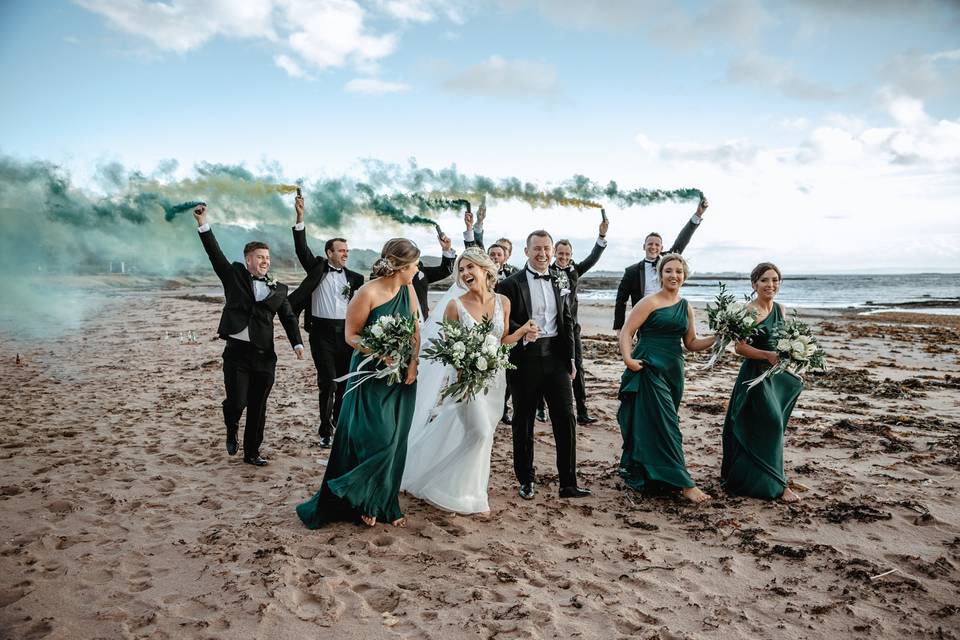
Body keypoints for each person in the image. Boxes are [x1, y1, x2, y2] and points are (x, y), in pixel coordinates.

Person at [296, 239, 421, 528]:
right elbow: (351, 336)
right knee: (376, 438)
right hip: (370, 374)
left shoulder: (408, 288)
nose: (417, 269)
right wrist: (378, 350)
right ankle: (361, 497)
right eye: (414, 264)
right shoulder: (367, 292)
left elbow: (415, 328)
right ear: (401, 266)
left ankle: (382, 501)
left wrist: (413, 363)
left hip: (402, 376)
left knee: (395, 440)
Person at [402, 249, 536, 514]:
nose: (465, 273)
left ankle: (471, 494)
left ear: (486, 270)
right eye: (461, 270)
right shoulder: (455, 305)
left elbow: (502, 342)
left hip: (495, 381)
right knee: (479, 433)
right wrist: (463, 367)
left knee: (483, 438)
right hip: (465, 380)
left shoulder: (503, 302)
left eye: (470, 268)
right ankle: (430, 481)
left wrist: (522, 332)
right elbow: (448, 349)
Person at [193, 204, 304, 466]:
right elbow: (214, 254)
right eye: (260, 257)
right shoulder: (233, 276)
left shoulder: (279, 288)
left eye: (267, 257)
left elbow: (288, 317)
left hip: (265, 356)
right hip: (236, 355)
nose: (265, 261)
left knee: (258, 406)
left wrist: (297, 343)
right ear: (248, 260)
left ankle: (251, 453)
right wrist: (203, 222)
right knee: (237, 402)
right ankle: (231, 426)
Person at [496, 230, 591, 500]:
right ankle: (526, 479)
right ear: (526, 251)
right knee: (523, 421)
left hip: (557, 359)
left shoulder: (561, 278)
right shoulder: (510, 285)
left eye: (547, 248)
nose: (543, 253)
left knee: (566, 418)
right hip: (523, 360)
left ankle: (568, 483)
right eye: (537, 248)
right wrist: (522, 330)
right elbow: (502, 323)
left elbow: (569, 320)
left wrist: (572, 359)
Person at [617, 253, 715, 504]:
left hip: (673, 370)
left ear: (684, 276)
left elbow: (691, 343)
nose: (674, 275)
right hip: (648, 366)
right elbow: (627, 332)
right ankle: (684, 483)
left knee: (658, 423)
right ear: (660, 275)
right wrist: (628, 359)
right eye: (669, 271)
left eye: (679, 271)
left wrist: (719, 336)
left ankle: (654, 474)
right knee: (667, 425)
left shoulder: (686, 307)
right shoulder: (649, 302)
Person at [721, 263, 804, 502]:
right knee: (770, 424)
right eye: (765, 280)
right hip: (755, 376)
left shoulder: (781, 308)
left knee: (773, 426)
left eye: (775, 280)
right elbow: (739, 347)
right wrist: (767, 355)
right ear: (754, 284)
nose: (771, 285)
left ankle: (766, 480)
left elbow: (784, 342)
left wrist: (793, 357)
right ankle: (777, 485)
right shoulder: (750, 311)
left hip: (776, 376)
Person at [290, 193, 365, 448]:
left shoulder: (355, 278)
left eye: (347, 251)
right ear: (329, 252)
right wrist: (300, 216)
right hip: (321, 333)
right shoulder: (318, 268)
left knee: (344, 383)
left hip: (347, 333)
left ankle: (339, 424)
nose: (345, 254)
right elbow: (302, 249)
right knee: (328, 383)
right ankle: (324, 430)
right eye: (341, 250)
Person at [547, 215, 610, 425]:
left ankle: (582, 411)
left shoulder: (575, 270)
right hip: (551, 327)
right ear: (554, 253)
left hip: (572, 327)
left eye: (567, 254)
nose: (564, 257)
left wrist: (601, 235)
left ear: (571, 255)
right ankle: (542, 408)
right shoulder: (546, 272)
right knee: (548, 368)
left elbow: (593, 258)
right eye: (560, 253)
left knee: (578, 367)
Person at [613, 197, 709, 333]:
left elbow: (682, 240)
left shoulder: (667, 260)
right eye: (650, 244)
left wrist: (698, 215)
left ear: (661, 247)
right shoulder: (632, 271)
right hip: (643, 317)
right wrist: (619, 327)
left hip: (668, 312)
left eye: (657, 244)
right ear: (644, 246)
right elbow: (621, 300)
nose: (653, 247)